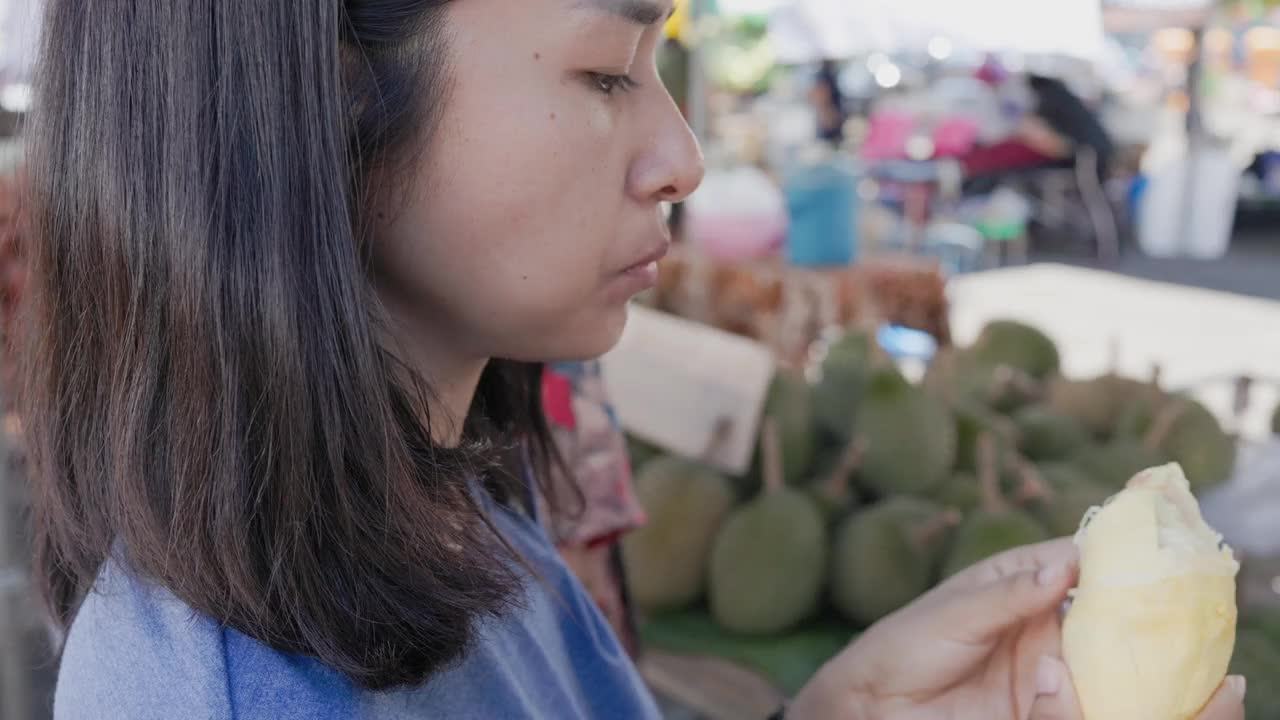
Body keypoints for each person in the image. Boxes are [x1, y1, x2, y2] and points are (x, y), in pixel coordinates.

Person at [22, 1, 1244, 719]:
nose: (682, 155)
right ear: (328, 96)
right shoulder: (216, 697)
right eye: (607, 70)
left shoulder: (469, 521)